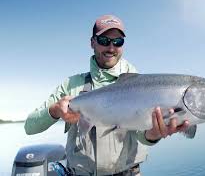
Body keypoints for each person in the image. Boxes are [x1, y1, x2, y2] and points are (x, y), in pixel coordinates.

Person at [24, 14, 189, 176]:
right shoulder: (70, 85)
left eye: (118, 42)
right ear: (92, 43)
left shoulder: (140, 85)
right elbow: (30, 127)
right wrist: (54, 111)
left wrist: (153, 135)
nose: (111, 48)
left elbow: (143, 136)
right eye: (104, 41)